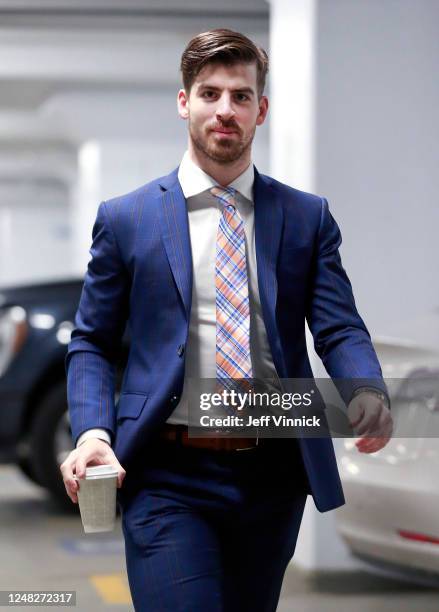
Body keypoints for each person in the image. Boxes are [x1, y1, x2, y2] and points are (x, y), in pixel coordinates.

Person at [60, 28, 393, 612]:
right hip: (165, 471)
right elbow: (92, 340)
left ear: (261, 109)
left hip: (272, 473)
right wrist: (93, 431)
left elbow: (338, 325)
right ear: (184, 101)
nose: (225, 110)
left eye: (241, 96)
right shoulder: (127, 218)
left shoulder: (306, 217)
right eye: (210, 93)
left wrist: (363, 386)